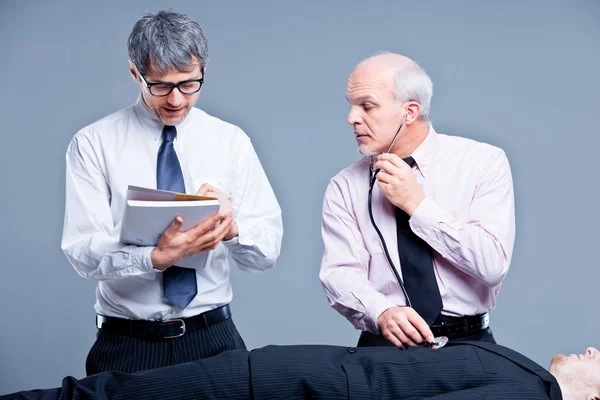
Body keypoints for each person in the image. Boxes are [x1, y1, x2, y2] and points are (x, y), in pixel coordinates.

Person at [60, 10, 282, 375]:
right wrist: (153, 258)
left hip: (214, 339)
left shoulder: (230, 141)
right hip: (127, 346)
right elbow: (82, 252)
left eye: (189, 84)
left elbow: (267, 251)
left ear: (203, 72)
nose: (176, 100)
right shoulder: (93, 143)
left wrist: (232, 229)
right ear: (135, 73)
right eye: (160, 85)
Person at [320, 53, 515, 347]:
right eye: (351, 106)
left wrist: (417, 206)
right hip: (384, 344)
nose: (352, 118)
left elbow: (492, 265)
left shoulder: (484, 163)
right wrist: (382, 311)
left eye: (367, 106)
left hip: (471, 344)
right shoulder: (345, 186)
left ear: (409, 112)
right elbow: (339, 272)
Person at [5, 341, 599, 399]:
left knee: (104, 398)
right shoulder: (529, 374)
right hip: (285, 373)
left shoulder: (531, 394)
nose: (594, 350)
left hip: (281, 387)